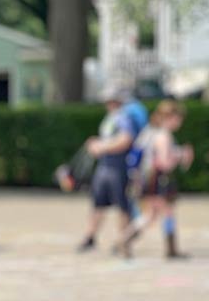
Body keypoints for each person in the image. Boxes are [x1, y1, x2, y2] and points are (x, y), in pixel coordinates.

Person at [118, 99, 195, 259]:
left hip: (151, 179)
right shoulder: (163, 136)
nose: (179, 122)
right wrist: (181, 156)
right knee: (160, 213)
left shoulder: (154, 132)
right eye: (178, 118)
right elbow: (164, 163)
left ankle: (127, 240)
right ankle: (129, 241)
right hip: (156, 179)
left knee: (155, 214)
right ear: (170, 117)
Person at [78, 88, 143, 255]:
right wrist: (97, 143)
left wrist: (102, 147)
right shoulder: (110, 118)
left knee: (122, 205)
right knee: (98, 203)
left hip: (118, 166)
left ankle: (123, 239)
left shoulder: (124, 118)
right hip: (105, 166)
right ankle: (90, 236)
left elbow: (126, 140)